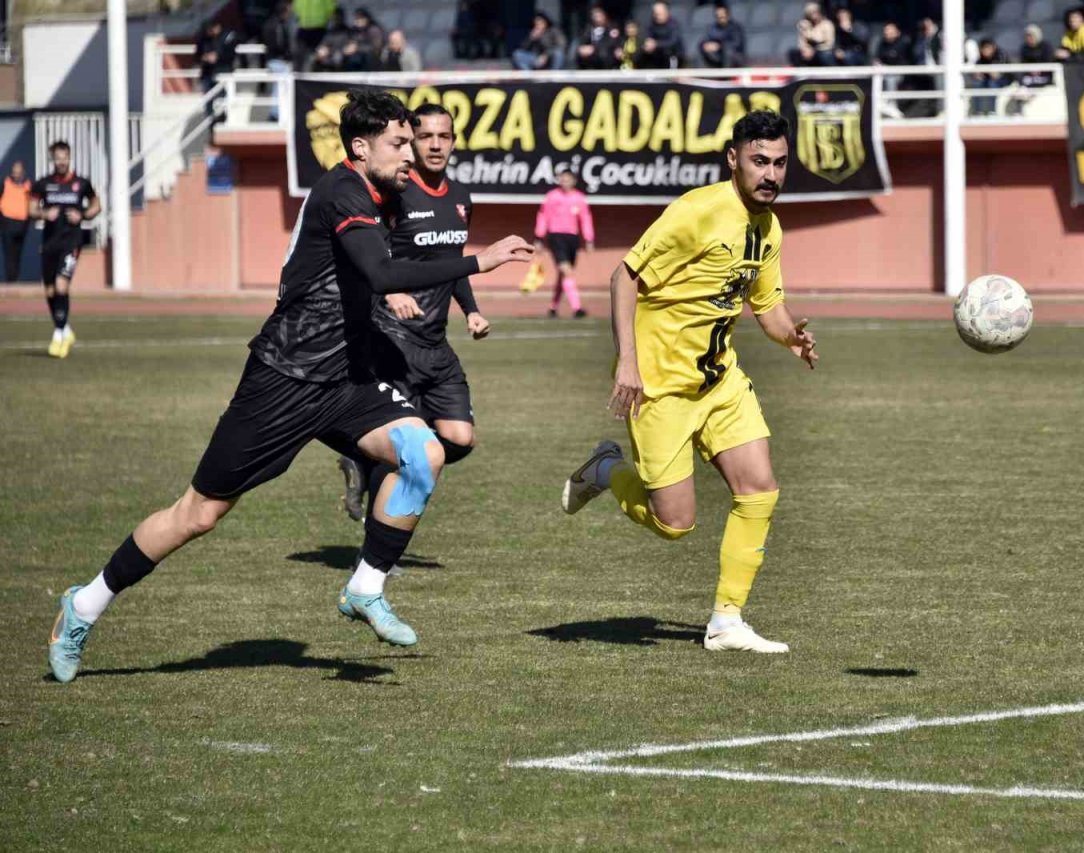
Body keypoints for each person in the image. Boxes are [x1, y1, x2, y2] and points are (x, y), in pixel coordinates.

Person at [45, 91, 534, 684]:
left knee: (424, 452)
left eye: (414, 142)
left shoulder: (390, 190)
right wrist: (478, 262)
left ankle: (366, 587)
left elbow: (390, 262)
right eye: (400, 143)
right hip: (285, 378)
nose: (411, 153)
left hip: (348, 378)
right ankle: (85, 603)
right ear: (361, 147)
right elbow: (381, 271)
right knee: (198, 513)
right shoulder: (343, 191)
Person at [561, 110, 818, 654]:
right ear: (733, 160)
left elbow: (767, 305)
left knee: (759, 489)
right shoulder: (697, 212)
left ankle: (726, 621)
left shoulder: (769, 228)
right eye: (759, 162)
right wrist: (627, 362)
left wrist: (791, 337)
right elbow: (624, 276)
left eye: (779, 163)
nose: (770, 174)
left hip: (719, 382)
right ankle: (606, 470)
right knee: (675, 524)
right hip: (660, 388)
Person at [337, 103, 489, 524]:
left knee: (460, 437)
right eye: (425, 137)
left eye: (444, 136)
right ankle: (378, 542)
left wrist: (471, 310)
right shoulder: (395, 195)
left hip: (435, 344)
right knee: (407, 448)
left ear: (454, 142)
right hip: (392, 341)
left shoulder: (461, 197)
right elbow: (367, 258)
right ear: (411, 143)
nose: (436, 145)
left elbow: (452, 262)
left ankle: (361, 460)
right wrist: (390, 292)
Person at [30, 142, 99, 358]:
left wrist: (83, 215)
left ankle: (58, 335)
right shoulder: (43, 184)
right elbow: (31, 209)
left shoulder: (82, 183)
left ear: (70, 157)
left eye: (65, 157)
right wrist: (44, 214)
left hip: (72, 242)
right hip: (50, 243)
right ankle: (65, 329)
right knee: (50, 291)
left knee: (62, 285)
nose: (61, 161)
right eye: (58, 157)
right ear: (53, 159)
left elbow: (96, 205)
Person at [535, 169, 595, 319]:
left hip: (572, 238)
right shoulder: (552, 196)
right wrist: (539, 237)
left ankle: (553, 308)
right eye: (562, 179)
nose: (564, 182)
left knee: (564, 275)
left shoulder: (579, 198)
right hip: (556, 237)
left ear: (573, 181)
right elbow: (543, 216)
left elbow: (585, 219)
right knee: (567, 271)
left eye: (567, 179)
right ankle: (577, 308)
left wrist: (589, 239)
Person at [196, 18, 239, 119]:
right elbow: (197, 55)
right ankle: (210, 119)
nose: (209, 33)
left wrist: (218, 57)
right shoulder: (203, 38)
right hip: (207, 72)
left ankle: (222, 117)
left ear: (217, 27)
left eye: (211, 30)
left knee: (222, 96)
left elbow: (231, 54)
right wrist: (205, 57)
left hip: (223, 71)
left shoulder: (228, 36)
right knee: (208, 98)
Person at [0, 160, 31, 282]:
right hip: (7, 222)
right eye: (14, 172)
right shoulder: (5, 183)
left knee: (18, 253)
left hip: (22, 224)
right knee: (9, 253)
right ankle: (11, 280)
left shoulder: (28, 186)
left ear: (23, 173)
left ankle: (15, 278)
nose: (16, 175)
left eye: (18, 172)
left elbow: (32, 202)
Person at [637, 2, 684, 69]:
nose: (657, 16)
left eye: (660, 14)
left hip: (672, 56)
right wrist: (647, 44)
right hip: (656, 56)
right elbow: (647, 38)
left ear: (667, 13)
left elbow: (673, 42)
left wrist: (656, 44)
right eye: (655, 14)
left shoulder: (674, 25)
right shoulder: (651, 25)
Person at [788, 2, 836, 66]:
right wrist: (805, 49)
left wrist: (813, 50)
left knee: (824, 56)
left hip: (823, 50)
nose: (814, 16)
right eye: (810, 14)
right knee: (793, 53)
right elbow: (802, 42)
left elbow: (828, 43)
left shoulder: (827, 24)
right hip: (809, 51)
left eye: (815, 12)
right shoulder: (806, 25)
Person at [575, 4, 621, 69]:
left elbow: (613, 43)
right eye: (595, 16)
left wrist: (595, 48)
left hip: (607, 59)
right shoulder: (588, 29)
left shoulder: (612, 29)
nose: (597, 19)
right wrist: (583, 49)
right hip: (591, 61)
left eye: (599, 16)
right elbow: (583, 41)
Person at [699, 3, 745, 68]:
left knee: (729, 53)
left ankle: (726, 73)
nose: (720, 19)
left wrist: (719, 46)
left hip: (732, 56)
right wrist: (705, 45)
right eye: (718, 17)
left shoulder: (736, 28)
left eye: (722, 16)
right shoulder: (712, 28)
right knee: (703, 50)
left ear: (728, 15)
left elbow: (737, 44)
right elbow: (705, 40)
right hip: (716, 56)